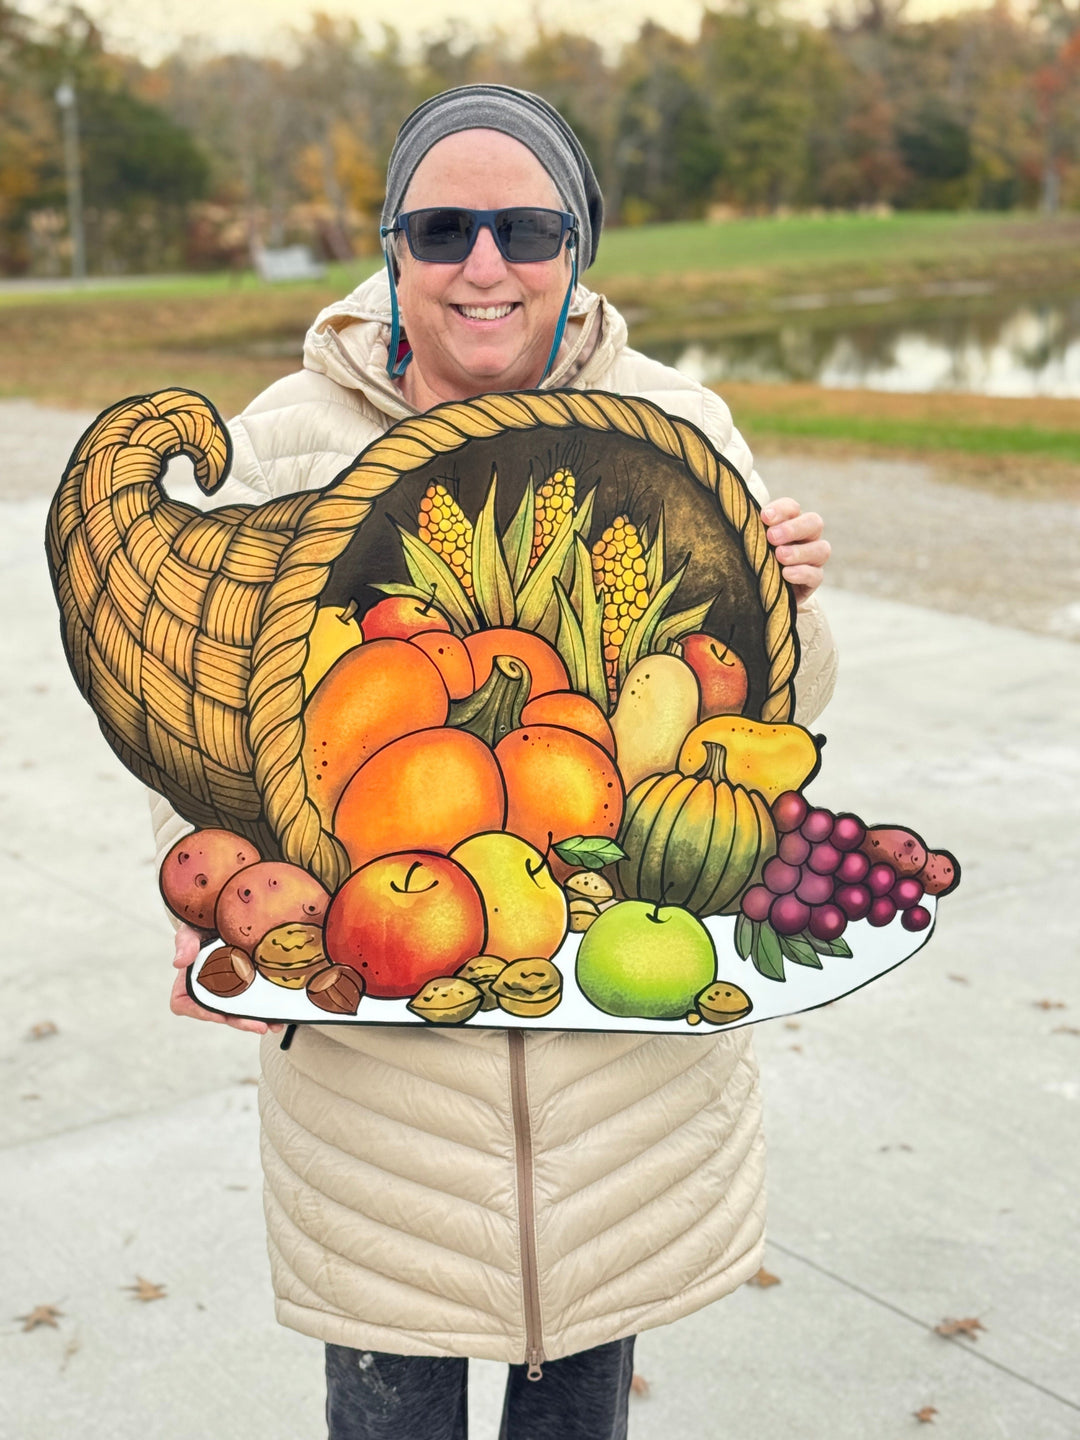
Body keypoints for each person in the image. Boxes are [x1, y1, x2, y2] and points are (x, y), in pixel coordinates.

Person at [161, 85, 837, 1440]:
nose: (484, 266)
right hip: (380, 1104)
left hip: (611, 1098)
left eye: (525, 229)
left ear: (579, 246)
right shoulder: (287, 442)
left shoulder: (674, 430)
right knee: (390, 1416)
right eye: (442, 228)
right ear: (394, 249)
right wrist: (212, 900)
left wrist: (794, 606)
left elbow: (779, 740)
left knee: (578, 1409)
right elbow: (210, 733)